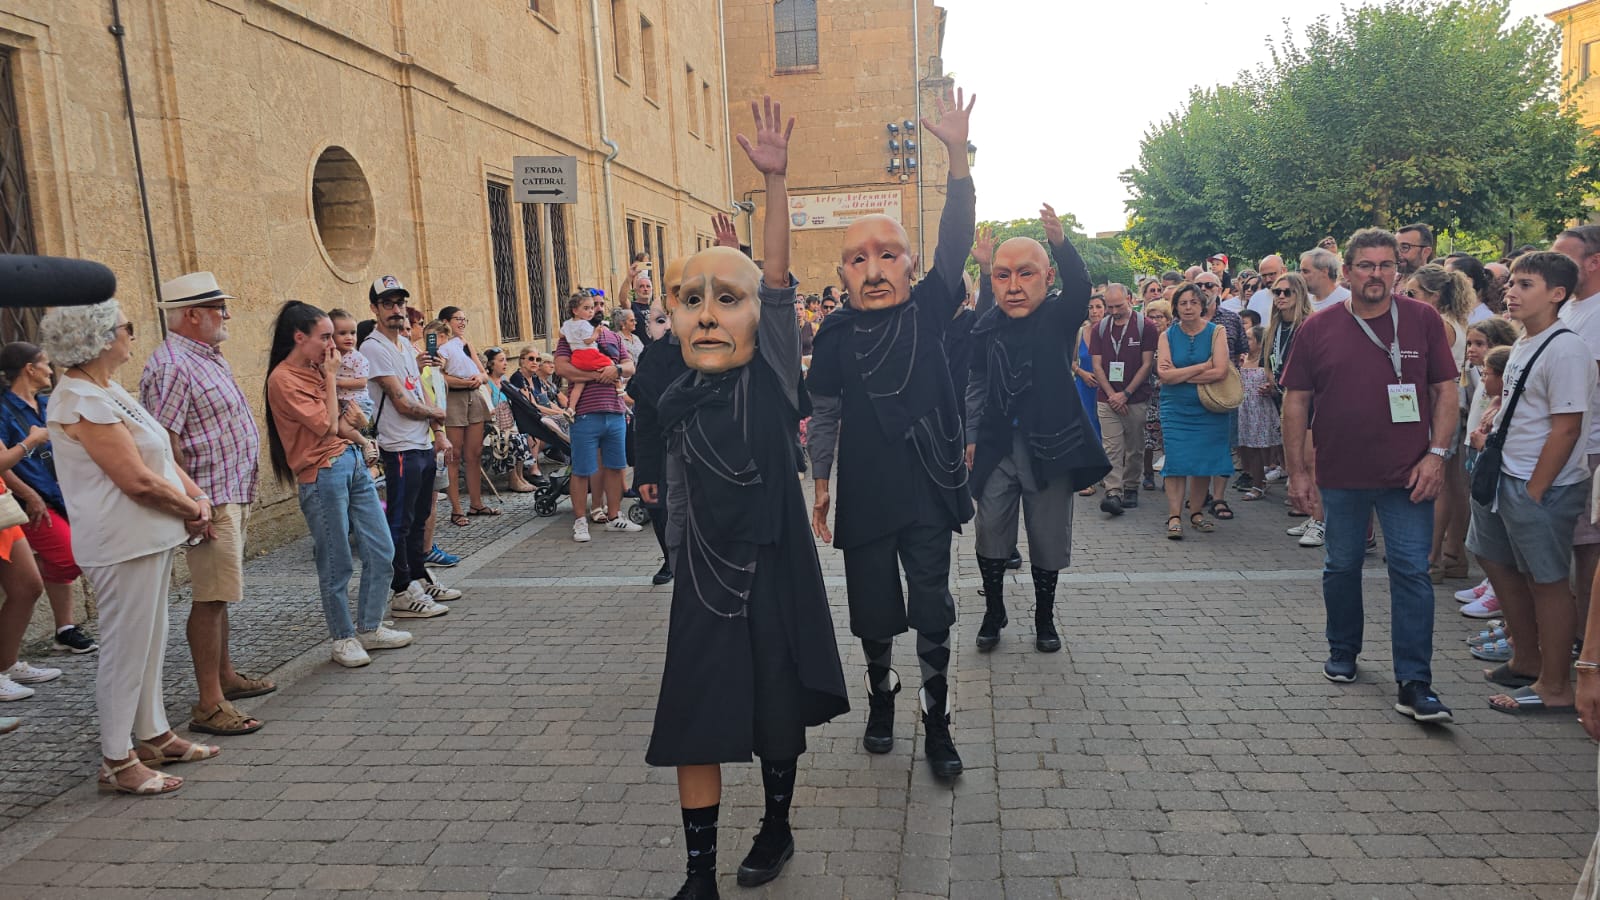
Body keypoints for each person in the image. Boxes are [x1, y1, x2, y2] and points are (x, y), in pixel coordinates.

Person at [649, 96, 849, 900]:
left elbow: (775, 285)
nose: (707, 316)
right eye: (691, 301)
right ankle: (697, 875)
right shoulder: (673, 394)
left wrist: (775, 187)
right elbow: (678, 492)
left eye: (726, 301)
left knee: (775, 712)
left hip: (771, 569)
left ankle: (775, 825)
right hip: (703, 580)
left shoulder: (770, 382)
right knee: (692, 721)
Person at [807, 85, 975, 780]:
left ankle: (938, 720)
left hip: (928, 487)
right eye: (858, 259)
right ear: (842, 273)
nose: (874, 270)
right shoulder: (835, 333)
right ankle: (882, 695)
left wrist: (957, 158)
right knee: (873, 613)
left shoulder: (931, 307)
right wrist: (820, 485)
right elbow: (824, 415)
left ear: (910, 264)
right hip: (868, 492)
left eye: (888, 255)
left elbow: (956, 239)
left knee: (932, 607)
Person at [1282, 227, 1459, 723]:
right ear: (1348, 271)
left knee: (1411, 572)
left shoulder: (1423, 320)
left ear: (1397, 271)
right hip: (1340, 474)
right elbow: (1296, 402)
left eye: (1386, 265)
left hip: (1410, 474)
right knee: (1341, 566)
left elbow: (1445, 391)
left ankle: (1415, 682)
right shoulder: (1318, 327)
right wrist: (1298, 472)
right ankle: (1343, 649)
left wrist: (1437, 455)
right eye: (1366, 265)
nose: (1376, 274)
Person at [42, 300, 217, 795]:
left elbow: (158, 453)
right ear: (98, 338)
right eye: (128, 327)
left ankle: (154, 734)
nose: (133, 336)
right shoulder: (81, 399)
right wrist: (191, 509)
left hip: (147, 536)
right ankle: (117, 759)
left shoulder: (108, 389)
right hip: (121, 542)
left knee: (151, 640)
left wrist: (197, 497)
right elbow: (136, 480)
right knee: (125, 649)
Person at [965, 204, 1108, 653]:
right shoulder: (986, 325)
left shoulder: (1059, 317)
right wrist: (971, 435)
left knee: (1048, 538)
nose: (1013, 286)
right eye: (1002, 276)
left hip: (1051, 447)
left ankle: (1044, 618)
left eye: (1025, 274)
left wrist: (1060, 244)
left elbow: (1081, 287)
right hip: (996, 447)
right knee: (990, 531)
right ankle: (994, 611)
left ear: (1047, 278)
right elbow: (976, 383)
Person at [140, 271, 271, 738]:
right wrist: (191, 504)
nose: (227, 315)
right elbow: (165, 443)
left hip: (227, 490)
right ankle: (209, 703)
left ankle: (225, 676)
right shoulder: (173, 364)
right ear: (192, 315)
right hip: (208, 498)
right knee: (211, 598)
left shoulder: (205, 355)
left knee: (222, 594)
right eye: (218, 308)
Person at [1468, 252, 1593, 715]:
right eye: (1512, 283)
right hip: (1505, 474)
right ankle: (1527, 659)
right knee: (1495, 559)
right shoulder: (1525, 340)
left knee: (1547, 580)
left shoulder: (1566, 348)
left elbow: (1567, 427)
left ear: (1557, 294)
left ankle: (1555, 685)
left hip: (1539, 485)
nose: (1511, 291)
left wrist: (1536, 489)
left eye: (1525, 284)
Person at [265, 302, 410, 668]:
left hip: (351, 461)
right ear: (300, 337)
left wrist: (359, 430)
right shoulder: (283, 379)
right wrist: (331, 378)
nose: (334, 346)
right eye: (325, 337)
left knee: (381, 548)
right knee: (336, 560)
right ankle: (343, 637)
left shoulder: (317, 368)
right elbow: (327, 425)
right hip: (321, 472)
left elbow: (345, 418)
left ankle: (370, 626)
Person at [360, 275, 458, 618]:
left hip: (420, 441)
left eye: (400, 303)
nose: (396, 310)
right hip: (398, 444)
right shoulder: (373, 347)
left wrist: (437, 430)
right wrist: (437, 414)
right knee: (400, 520)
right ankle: (401, 589)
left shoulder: (403, 344)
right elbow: (401, 401)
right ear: (374, 309)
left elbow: (418, 390)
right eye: (388, 304)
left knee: (419, 517)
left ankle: (418, 574)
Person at [0, 342, 98, 654]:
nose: (50, 370)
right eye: (44, 363)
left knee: (73, 554)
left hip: (61, 493)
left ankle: (65, 628)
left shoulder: (47, 403)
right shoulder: (4, 409)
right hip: (30, 499)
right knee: (69, 557)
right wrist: (29, 494)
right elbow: (3, 464)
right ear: (29, 369)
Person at [1401, 264, 1477, 584]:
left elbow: (1425, 372)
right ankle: (1453, 555)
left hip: (1438, 407)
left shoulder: (1440, 324)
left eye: (1412, 293)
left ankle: (1430, 558)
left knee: (1439, 484)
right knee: (1454, 484)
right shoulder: (1453, 322)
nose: (1405, 298)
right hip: (1451, 405)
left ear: (1433, 296)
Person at [630, 252, 695, 587]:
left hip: (718, 460)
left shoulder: (725, 345)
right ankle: (671, 560)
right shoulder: (654, 356)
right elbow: (645, 418)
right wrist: (644, 473)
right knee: (663, 511)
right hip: (667, 453)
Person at [555, 291, 641, 541]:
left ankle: (614, 516)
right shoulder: (569, 335)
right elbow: (562, 368)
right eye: (592, 305)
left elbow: (629, 366)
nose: (597, 309)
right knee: (582, 469)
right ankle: (580, 520)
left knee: (616, 467)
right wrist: (597, 376)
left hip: (615, 411)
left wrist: (616, 370)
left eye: (600, 305)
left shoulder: (613, 336)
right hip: (585, 412)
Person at [1156, 283, 1234, 539]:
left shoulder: (1216, 332)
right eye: (1183, 303)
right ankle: (1174, 516)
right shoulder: (1167, 335)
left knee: (1203, 461)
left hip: (1209, 406)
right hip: (1175, 408)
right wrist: (1201, 367)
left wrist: (1179, 375)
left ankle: (1196, 513)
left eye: (1193, 302)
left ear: (1202, 305)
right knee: (1176, 461)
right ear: (1176, 307)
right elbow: (1164, 375)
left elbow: (1220, 371)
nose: (1188, 307)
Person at [1553, 226, 1600, 645]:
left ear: (1594, 262)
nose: (1554, 266)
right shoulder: (1569, 307)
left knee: (1588, 549)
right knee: (1567, 545)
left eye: (1563, 258)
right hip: (1565, 445)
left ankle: (1586, 640)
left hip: (1589, 447)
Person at [1090, 283, 1158, 516]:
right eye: (1110, 307)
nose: (1114, 311)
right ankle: (1113, 491)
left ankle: (1131, 486)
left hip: (1135, 397)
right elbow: (1097, 365)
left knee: (1135, 446)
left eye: (1118, 306)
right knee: (1111, 446)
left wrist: (1126, 393)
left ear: (1129, 299)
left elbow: (1147, 364)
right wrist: (1112, 395)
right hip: (1107, 398)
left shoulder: (1145, 326)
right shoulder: (1100, 328)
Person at [432, 306, 495, 525]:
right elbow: (439, 377)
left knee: (474, 453)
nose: (462, 323)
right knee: (454, 455)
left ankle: (476, 503)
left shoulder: (466, 344)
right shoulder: (439, 348)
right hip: (454, 399)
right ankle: (457, 510)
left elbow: (484, 374)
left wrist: (478, 378)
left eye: (464, 319)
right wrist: (464, 382)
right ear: (445, 322)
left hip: (473, 397)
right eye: (457, 319)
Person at [482, 348, 537, 493]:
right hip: (494, 428)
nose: (505, 363)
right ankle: (513, 480)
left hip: (510, 424)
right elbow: (488, 409)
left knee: (523, 435)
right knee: (513, 439)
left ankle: (520, 477)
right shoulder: (487, 384)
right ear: (491, 364)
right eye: (501, 360)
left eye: (506, 360)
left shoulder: (505, 381)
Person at [1237, 326, 1282, 501]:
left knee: (1268, 448)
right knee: (1249, 448)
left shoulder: (1267, 361)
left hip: (1261, 409)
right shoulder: (1241, 359)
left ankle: (1265, 482)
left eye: (1249, 338)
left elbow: (1277, 387)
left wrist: (1270, 389)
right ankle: (1257, 482)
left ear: (1260, 342)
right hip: (1245, 409)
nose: (1245, 341)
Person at [558, 293, 621, 420]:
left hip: (576, 357)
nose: (591, 311)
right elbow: (588, 340)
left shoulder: (567, 324)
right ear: (575, 310)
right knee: (611, 365)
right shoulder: (585, 324)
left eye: (592, 308)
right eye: (587, 308)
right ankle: (619, 387)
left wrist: (572, 337)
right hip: (589, 354)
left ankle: (571, 408)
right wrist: (596, 333)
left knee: (579, 383)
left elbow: (561, 334)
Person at [1142, 300, 1172, 491]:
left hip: (1169, 395)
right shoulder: (1145, 339)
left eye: (1159, 317)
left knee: (1168, 437)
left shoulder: (1172, 340)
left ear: (1168, 319)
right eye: (1151, 317)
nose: (1154, 321)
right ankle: (1148, 475)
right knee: (1147, 439)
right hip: (1148, 394)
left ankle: (1169, 475)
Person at [330, 309, 375, 420]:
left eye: (353, 333)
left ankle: (364, 434)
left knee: (343, 428)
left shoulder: (358, 358)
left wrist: (336, 382)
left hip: (358, 403)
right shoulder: (330, 355)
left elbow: (362, 382)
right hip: (341, 401)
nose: (349, 337)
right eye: (342, 333)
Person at [1300, 248, 1350, 314]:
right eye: (1300, 271)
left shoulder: (1348, 301)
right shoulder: (1303, 300)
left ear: (1324, 272)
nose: (1300, 276)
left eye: (1305, 271)